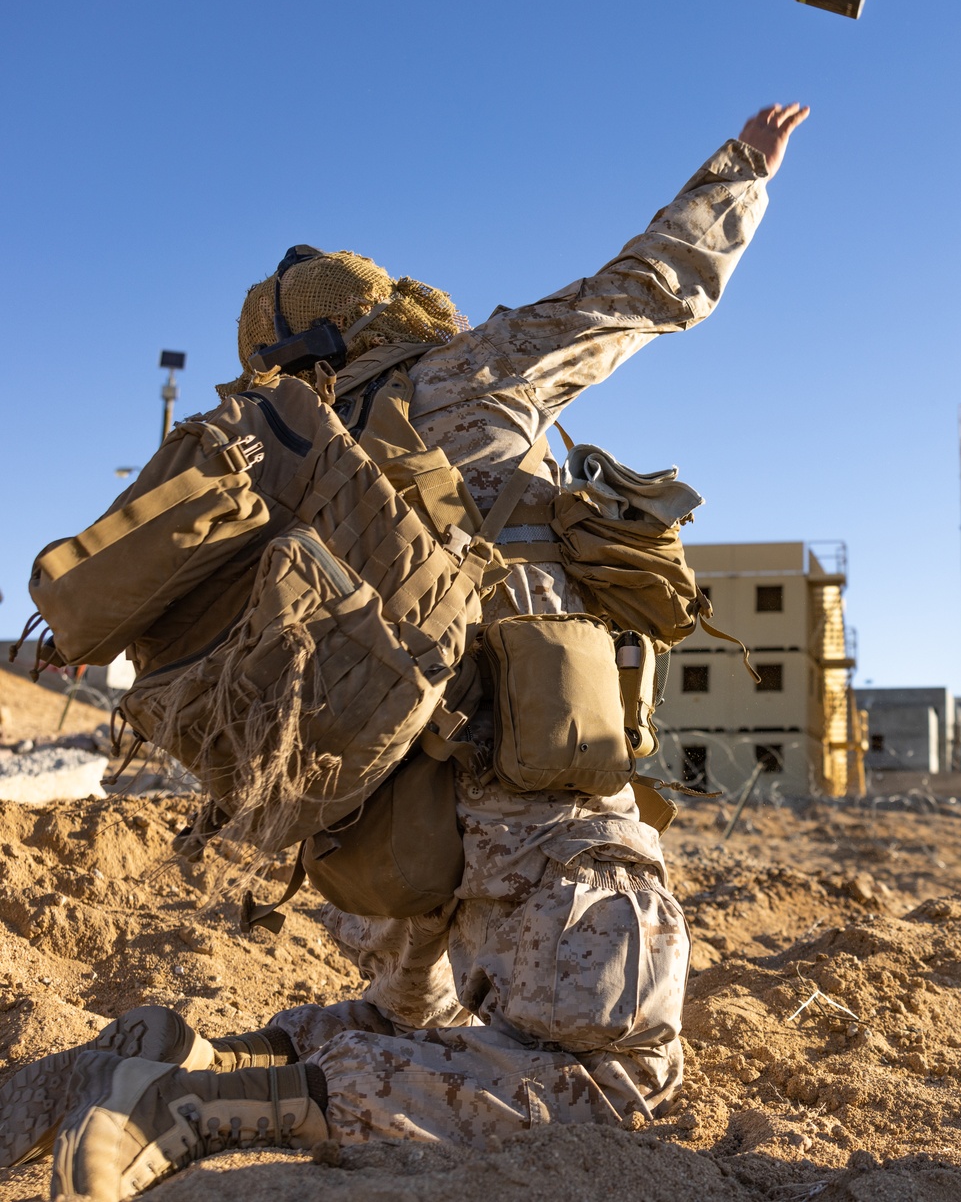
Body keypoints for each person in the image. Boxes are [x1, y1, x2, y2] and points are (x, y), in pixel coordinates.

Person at [2, 103, 808, 1200]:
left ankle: (175, 1060)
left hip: (375, 841)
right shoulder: (473, 376)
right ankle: (192, 1106)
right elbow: (653, 285)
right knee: (612, 1074)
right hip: (534, 811)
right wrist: (742, 173)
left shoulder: (274, 464)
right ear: (386, 310)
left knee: (408, 1022)